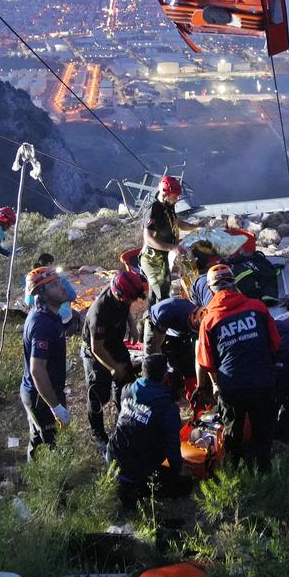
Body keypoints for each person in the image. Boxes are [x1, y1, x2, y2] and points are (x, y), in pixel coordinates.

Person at [196, 263, 280, 472]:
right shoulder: (258, 307)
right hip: (263, 379)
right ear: (234, 283)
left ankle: (234, 470)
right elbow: (275, 344)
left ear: (210, 289)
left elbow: (206, 362)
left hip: (232, 385)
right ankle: (262, 469)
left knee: (233, 429)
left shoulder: (208, 320)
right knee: (263, 427)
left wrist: (215, 385)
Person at [107, 354, 190, 506]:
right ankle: (138, 490)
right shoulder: (167, 406)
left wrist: (183, 422)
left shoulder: (127, 389)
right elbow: (173, 449)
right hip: (139, 471)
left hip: (113, 459)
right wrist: (178, 470)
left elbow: (138, 419)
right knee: (186, 485)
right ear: (165, 376)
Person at [82, 269, 149, 454]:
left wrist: (132, 325)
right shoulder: (100, 311)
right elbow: (97, 349)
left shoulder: (123, 293)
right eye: (129, 299)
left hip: (115, 342)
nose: (132, 302)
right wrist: (113, 367)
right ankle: (98, 435)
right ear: (118, 295)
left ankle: (125, 423)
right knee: (97, 395)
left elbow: (126, 307)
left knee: (126, 382)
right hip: (97, 350)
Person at [20, 267, 72, 459]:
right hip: (40, 397)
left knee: (38, 438)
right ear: (41, 293)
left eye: (59, 281)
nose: (62, 288)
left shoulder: (51, 315)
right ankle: (56, 486)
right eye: (53, 285)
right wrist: (55, 407)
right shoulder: (41, 324)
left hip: (45, 392)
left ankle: (34, 472)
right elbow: (37, 370)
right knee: (52, 446)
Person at [141, 175, 198, 305]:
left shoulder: (168, 205)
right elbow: (148, 239)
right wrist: (172, 247)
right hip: (153, 260)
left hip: (165, 256)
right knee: (163, 296)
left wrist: (196, 228)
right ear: (165, 194)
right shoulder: (154, 209)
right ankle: (161, 320)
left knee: (156, 296)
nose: (177, 199)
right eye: (174, 196)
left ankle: (150, 320)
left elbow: (176, 222)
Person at [143, 296, 201, 393]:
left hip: (176, 328)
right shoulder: (167, 315)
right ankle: (155, 392)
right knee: (153, 360)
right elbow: (156, 347)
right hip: (155, 323)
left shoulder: (197, 314)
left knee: (185, 355)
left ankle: (179, 382)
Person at [25, 253, 78, 329]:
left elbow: (28, 302)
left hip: (40, 316)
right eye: (54, 264)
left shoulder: (31, 279)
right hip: (62, 318)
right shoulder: (58, 277)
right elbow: (73, 296)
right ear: (49, 264)